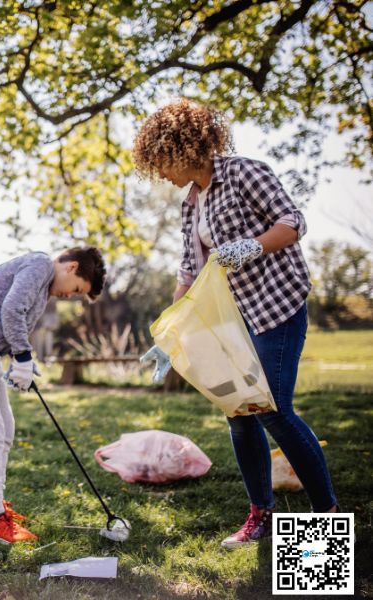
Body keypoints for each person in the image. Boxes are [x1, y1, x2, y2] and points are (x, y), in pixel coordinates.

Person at [134, 99, 338, 548]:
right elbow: (189, 273)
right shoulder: (191, 205)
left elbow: (292, 221)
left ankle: (327, 520)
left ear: (181, 148)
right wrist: (170, 335)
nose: (160, 175)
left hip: (276, 305)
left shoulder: (245, 172)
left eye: (160, 163)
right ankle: (260, 516)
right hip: (231, 321)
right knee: (240, 416)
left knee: (273, 410)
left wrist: (253, 246)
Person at [0, 247, 106, 544]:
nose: (71, 296)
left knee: (5, 430)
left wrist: (18, 363)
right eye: (77, 289)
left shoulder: (43, 285)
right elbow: (11, 309)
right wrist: (22, 355)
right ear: (71, 267)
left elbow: (8, 317)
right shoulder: (41, 265)